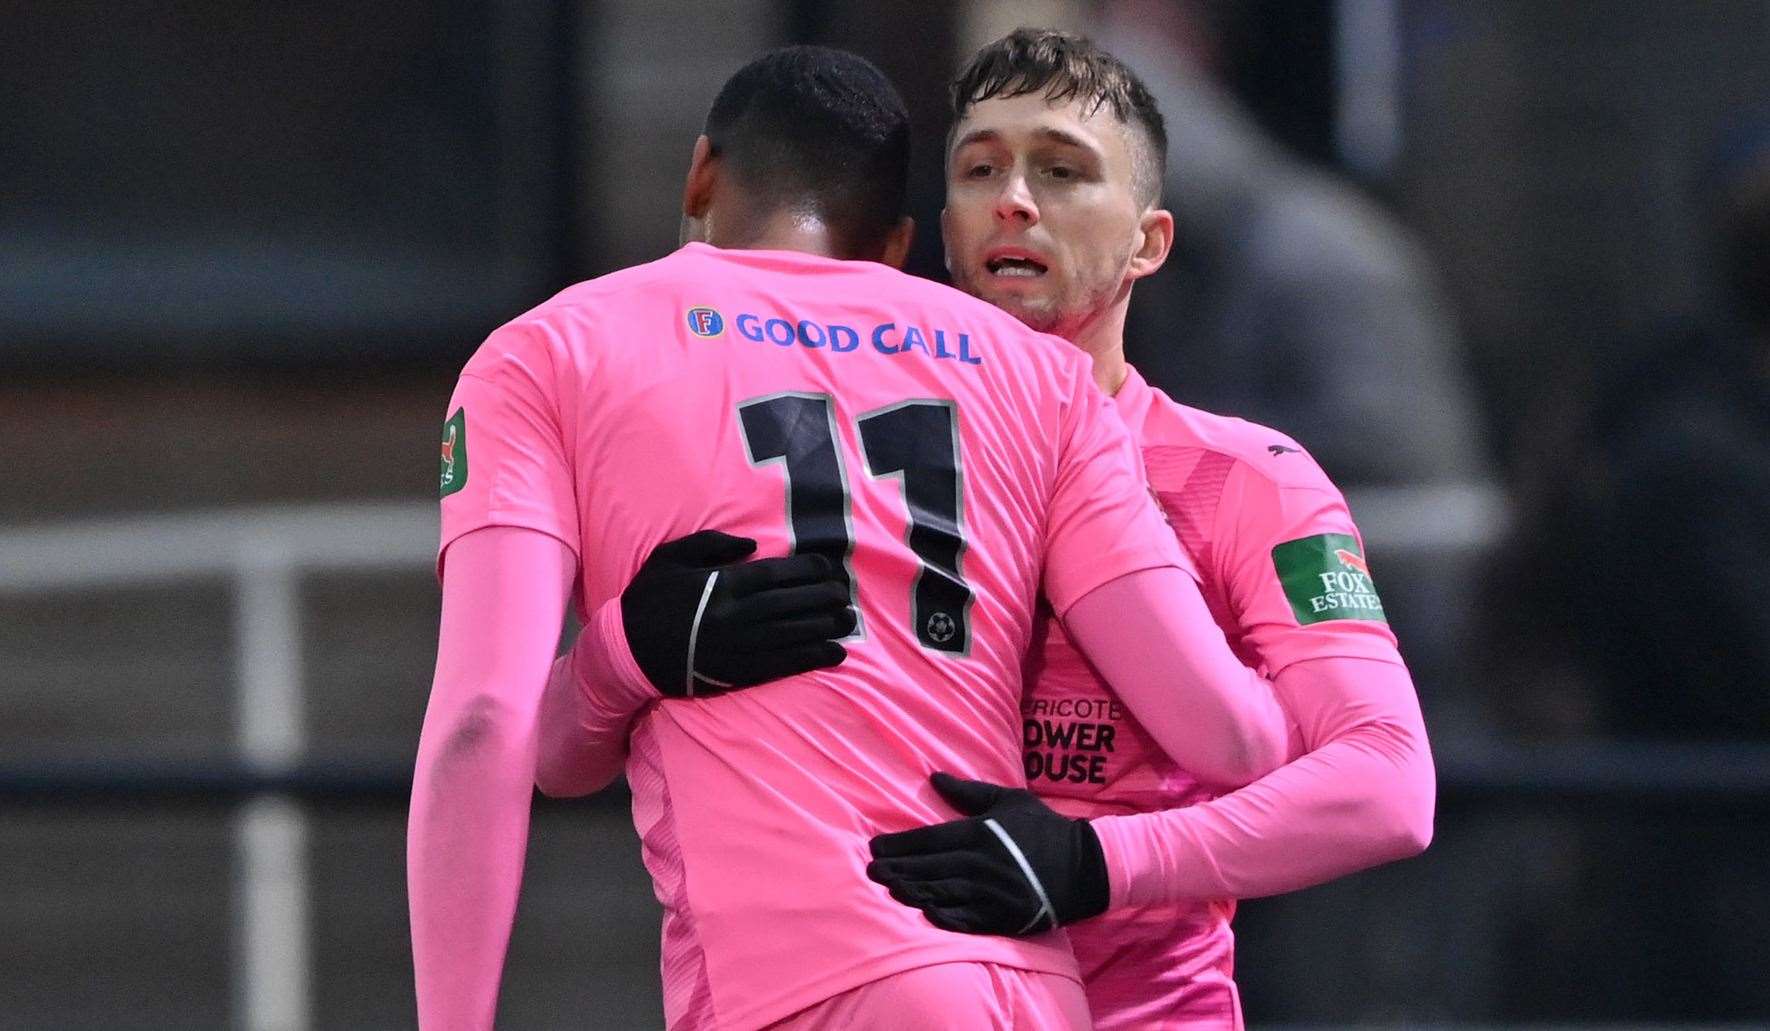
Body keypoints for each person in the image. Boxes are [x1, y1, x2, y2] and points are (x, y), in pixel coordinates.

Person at [412, 45, 1297, 1031]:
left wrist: (623, 654)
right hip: (1028, 991)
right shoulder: (1040, 377)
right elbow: (1232, 735)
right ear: (896, 242)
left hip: (797, 982)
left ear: (701, 172)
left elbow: (493, 723)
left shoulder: (552, 350)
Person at [861, 30, 1437, 1029]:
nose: (1016, 198)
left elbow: (1389, 783)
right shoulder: (847, 468)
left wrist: (1095, 863)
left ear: (1149, 240)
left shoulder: (1249, 480)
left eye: (1062, 169)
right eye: (981, 167)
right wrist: (640, 643)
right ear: (947, 233)